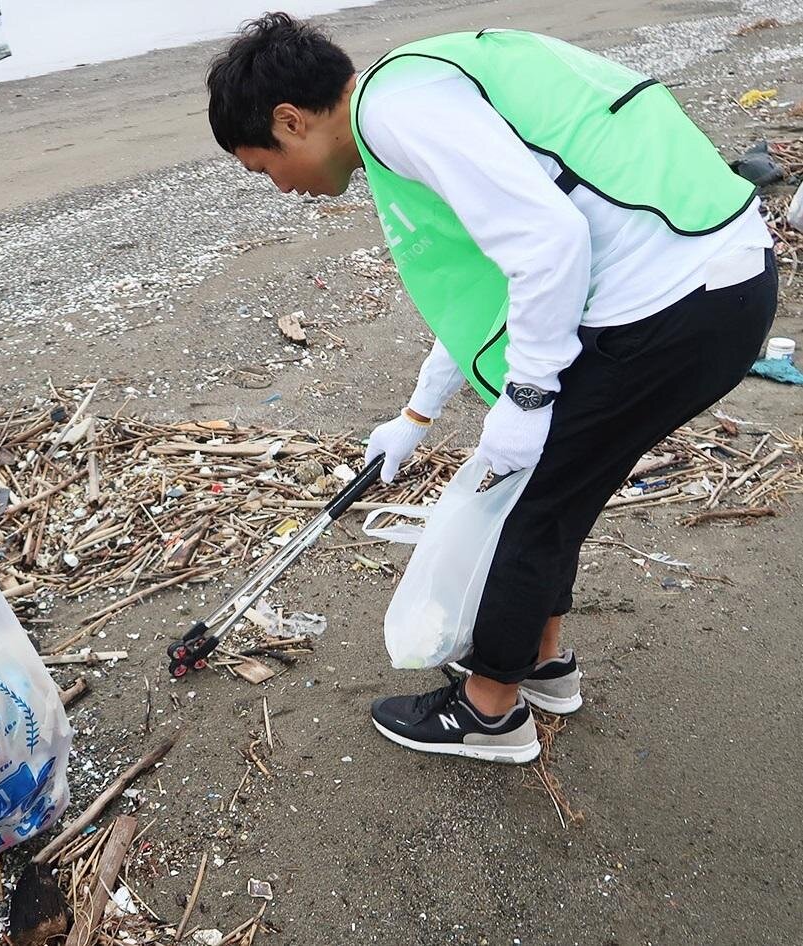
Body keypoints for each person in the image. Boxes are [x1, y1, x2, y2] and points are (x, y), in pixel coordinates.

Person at [207, 15, 775, 763]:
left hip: (671, 303)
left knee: (528, 504)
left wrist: (529, 397)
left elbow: (548, 242)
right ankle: (539, 667)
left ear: (289, 120)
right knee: (555, 494)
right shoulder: (413, 85)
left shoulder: (398, 114)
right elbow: (492, 280)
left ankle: (489, 712)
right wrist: (417, 412)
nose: (280, 187)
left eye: (263, 167)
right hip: (713, 280)